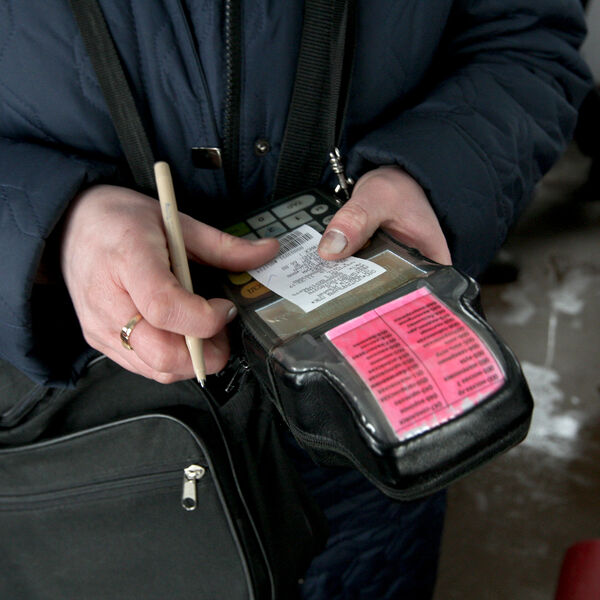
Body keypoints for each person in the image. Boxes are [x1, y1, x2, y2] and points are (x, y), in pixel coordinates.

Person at [0, 1, 592, 598]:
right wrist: (52, 234)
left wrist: (432, 177)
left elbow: (527, 37)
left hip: (372, 428)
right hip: (85, 441)